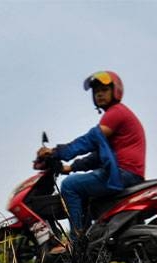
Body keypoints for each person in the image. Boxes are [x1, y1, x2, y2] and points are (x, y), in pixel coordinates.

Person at [36, 70, 146, 253]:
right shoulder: (116, 116)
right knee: (79, 185)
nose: (99, 94)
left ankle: (76, 242)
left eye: (104, 89)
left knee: (70, 186)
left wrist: (57, 152)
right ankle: (89, 240)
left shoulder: (115, 113)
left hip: (122, 173)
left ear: (115, 91)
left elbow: (89, 141)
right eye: (96, 91)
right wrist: (70, 167)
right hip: (123, 172)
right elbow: (98, 156)